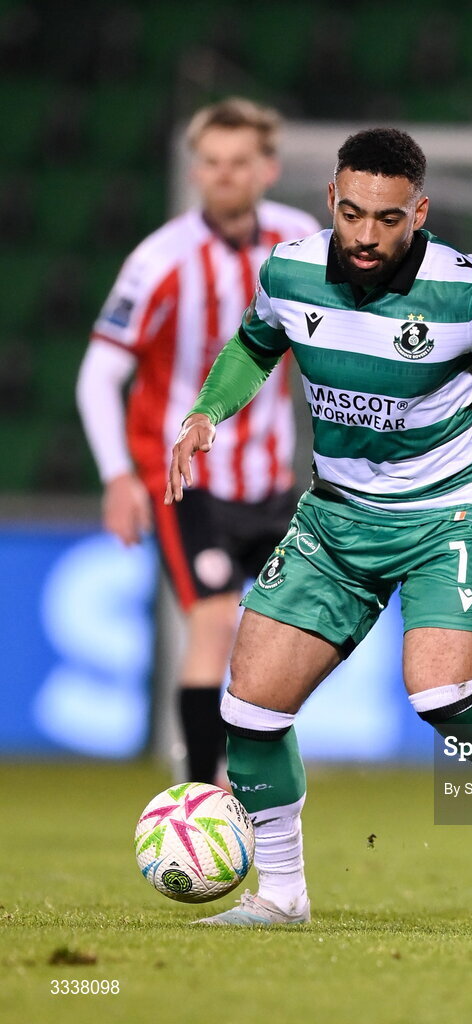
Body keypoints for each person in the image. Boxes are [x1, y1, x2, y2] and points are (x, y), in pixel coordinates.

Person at [164, 127, 472, 926]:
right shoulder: (290, 270)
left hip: (448, 509)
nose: (366, 236)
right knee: (250, 711)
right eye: (353, 213)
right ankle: (284, 896)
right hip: (338, 513)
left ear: (420, 212)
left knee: (442, 690)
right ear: (332, 199)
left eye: (388, 219)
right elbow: (254, 346)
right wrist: (207, 411)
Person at [76, 98, 320, 788]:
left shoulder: (299, 241)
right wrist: (118, 475)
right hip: (188, 483)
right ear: (196, 169)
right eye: (210, 163)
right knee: (212, 623)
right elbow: (100, 374)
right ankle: (204, 790)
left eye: (238, 162)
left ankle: (256, 771)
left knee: (280, 640)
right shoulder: (159, 261)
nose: (223, 175)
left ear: (266, 167)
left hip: (272, 482)